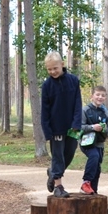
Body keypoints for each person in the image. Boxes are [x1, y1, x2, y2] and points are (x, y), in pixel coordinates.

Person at [40, 51, 82, 198]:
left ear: (62, 65)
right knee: (58, 156)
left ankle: (53, 172)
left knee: (69, 154)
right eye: (49, 69)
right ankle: (59, 186)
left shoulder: (73, 81)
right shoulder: (46, 86)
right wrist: (47, 131)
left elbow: (78, 104)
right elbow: (44, 111)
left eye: (55, 68)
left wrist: (77, 122)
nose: (52, 72)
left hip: (72, 127)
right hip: (56, 128)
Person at [79, 85, 108, 195]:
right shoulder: (85, 110)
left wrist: (104, 129)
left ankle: (93, 191)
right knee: (94, 156)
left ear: (105, 98)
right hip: (86, 142)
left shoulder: (106, 113)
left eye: (103, 95)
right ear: (92, 96)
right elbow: (79, 127)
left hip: (100, 143)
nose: (100, 97)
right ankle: (86, 183)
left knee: (97, 167)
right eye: (97, 94)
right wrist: (93, 127)